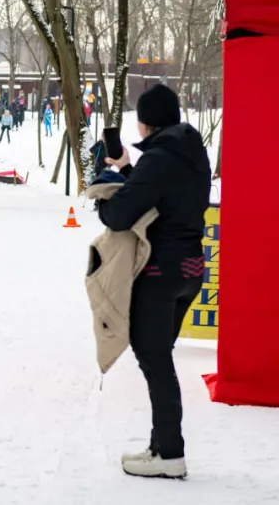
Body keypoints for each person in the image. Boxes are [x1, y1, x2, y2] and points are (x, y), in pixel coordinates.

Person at [95, 83, 211, 479]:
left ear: (146, 123)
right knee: (159, 357)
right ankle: (162, 447)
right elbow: (161, 197)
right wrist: (128, 169)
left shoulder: (159, 159)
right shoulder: (190, 153)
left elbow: (120, 216)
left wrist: (103, 189)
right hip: (190, 270)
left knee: (155, 360)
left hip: (161, 272)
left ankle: (170, 454)